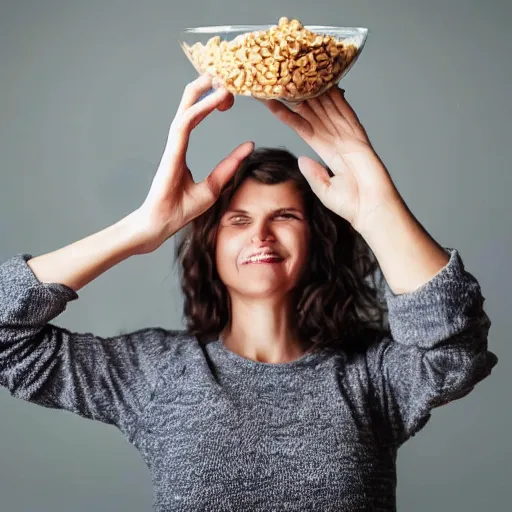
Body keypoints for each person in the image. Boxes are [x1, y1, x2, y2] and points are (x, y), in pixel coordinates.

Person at [0, 74, 498, 511]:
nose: (261, 236)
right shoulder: (157, 371)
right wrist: (139, 229)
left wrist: (377, 210)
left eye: (284, 217)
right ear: (211, 246)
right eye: (239, 221)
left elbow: (454, 347)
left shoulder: (373, 376)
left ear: (317, 241)